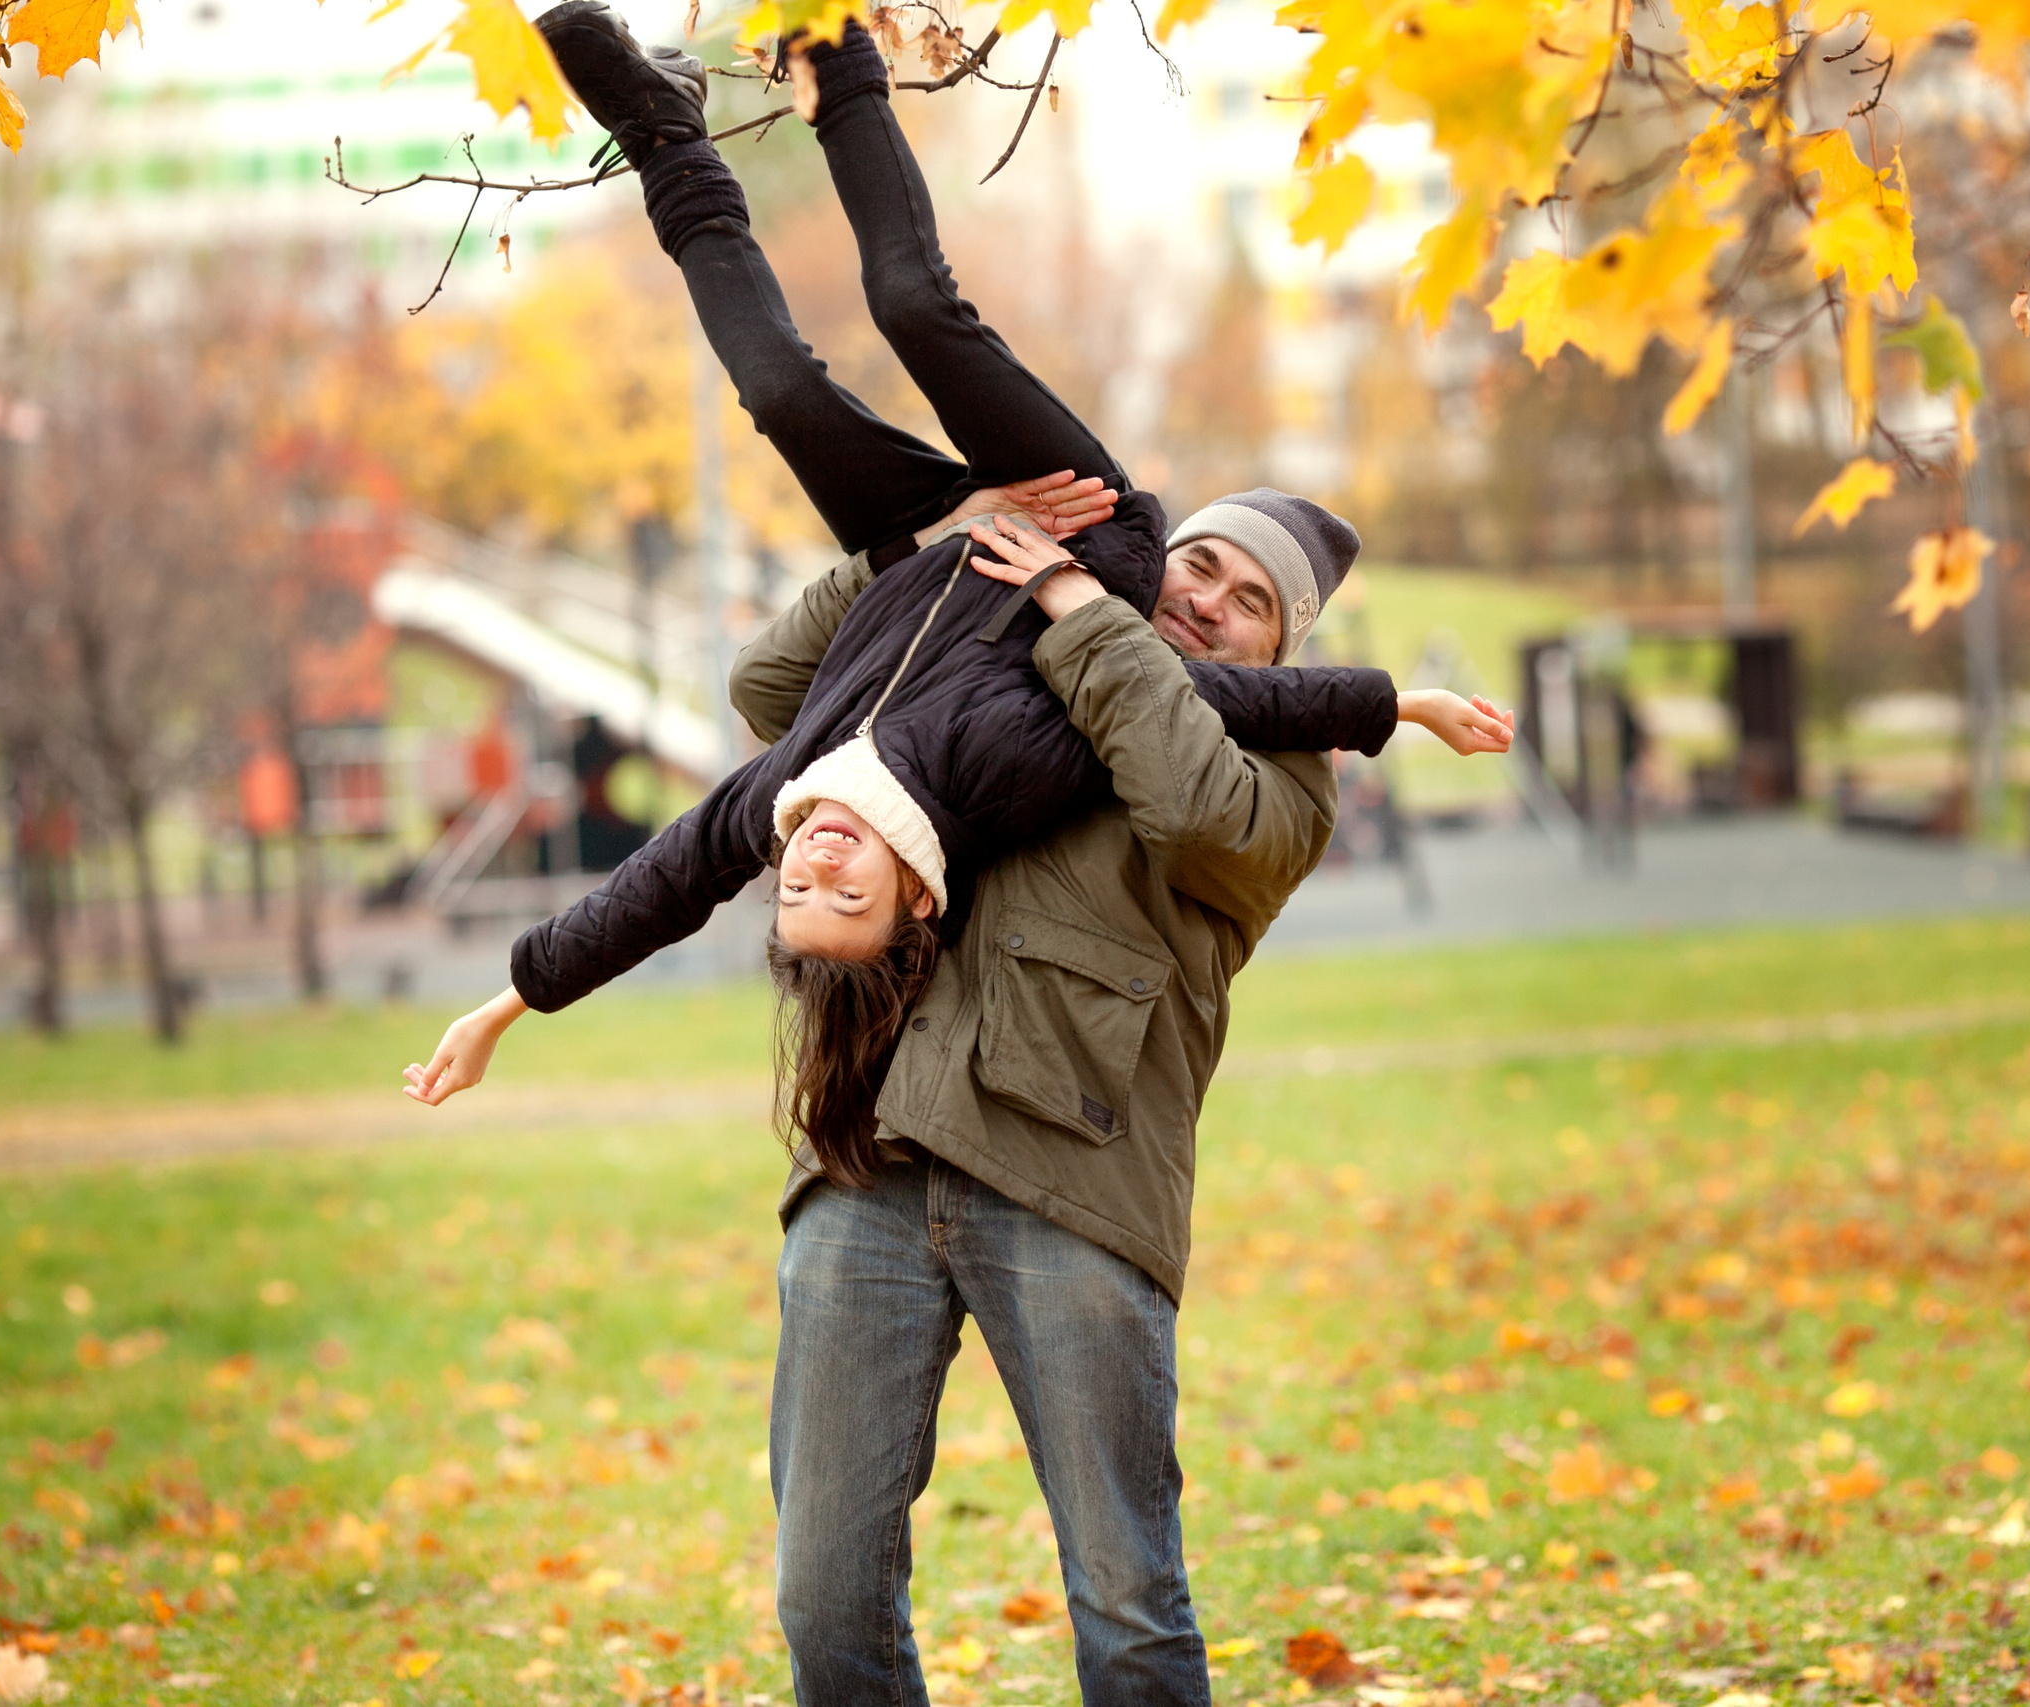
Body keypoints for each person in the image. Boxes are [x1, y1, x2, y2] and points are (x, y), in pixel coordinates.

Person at [402, 10, 1510, 1703]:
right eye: (1202, 566)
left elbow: (1191, 770)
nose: (1206, 599)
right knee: (825, 1601)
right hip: (869, 1154)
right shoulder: (1010, 642)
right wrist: (922, 563)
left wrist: (1284, 667)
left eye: (1246, 602)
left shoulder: (1269, 770)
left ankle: (830, 73)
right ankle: (692, 123)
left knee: (1127, 1603)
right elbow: (770, 703)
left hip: (1068, 1178)